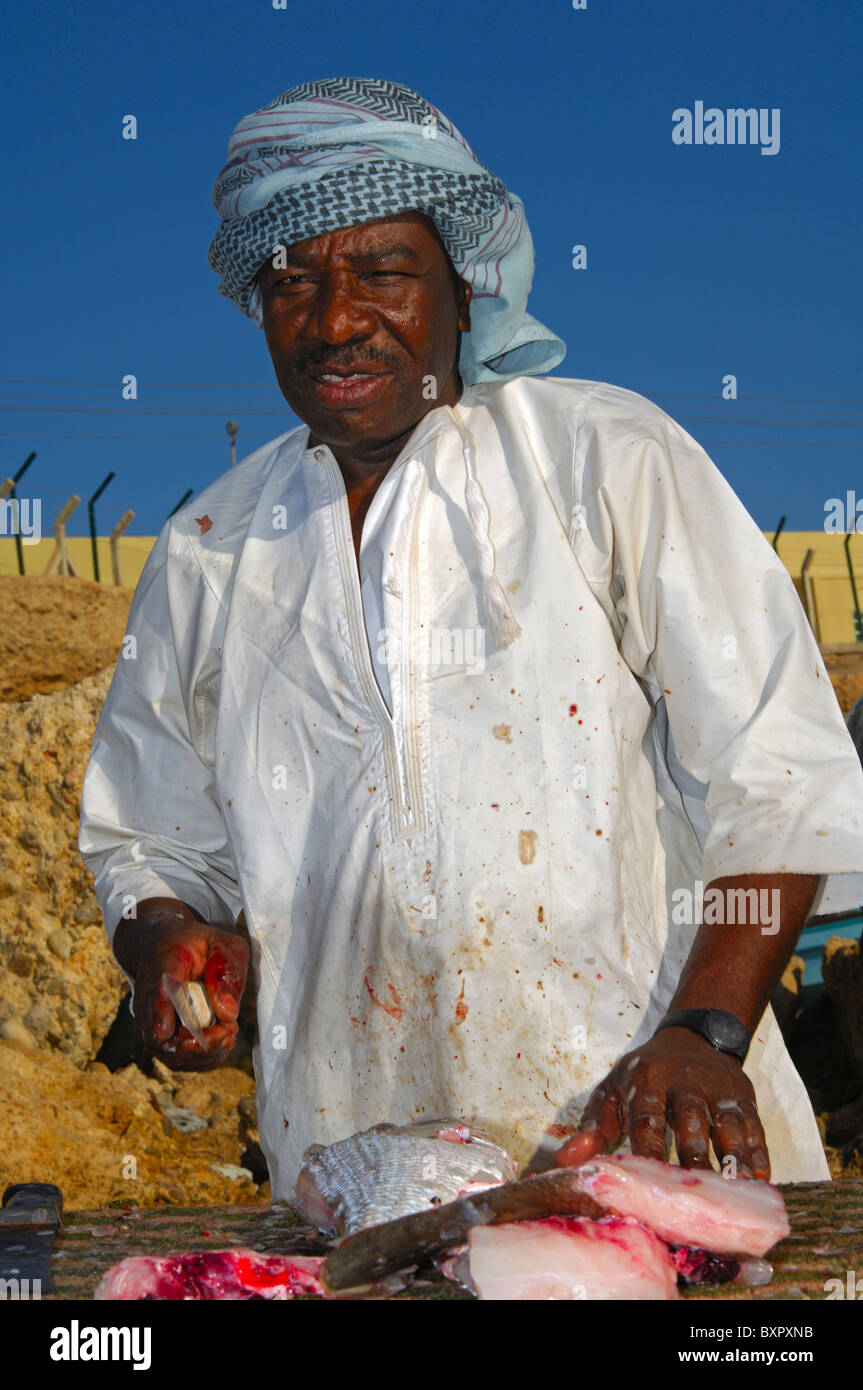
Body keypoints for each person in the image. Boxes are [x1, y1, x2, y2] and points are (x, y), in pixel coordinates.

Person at [79, 78, 863, 1198]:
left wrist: (707, 1030)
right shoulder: (208, 548)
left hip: (652, 1156)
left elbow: (777, 776)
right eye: (292, 281)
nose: (337, 318)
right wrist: (168, 937)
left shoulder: (602, 459)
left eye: (383, 272)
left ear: (463, 283)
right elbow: (147, 840)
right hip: (362, 1186)